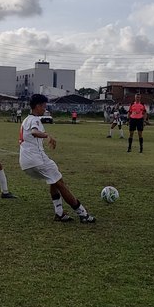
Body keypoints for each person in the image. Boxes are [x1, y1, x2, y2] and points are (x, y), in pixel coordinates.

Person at [19, 94, 95, 223]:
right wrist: (47, 135)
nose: (45, 108)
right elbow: (34, 132)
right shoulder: (35, 119)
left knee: (53, 180)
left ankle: (59, 213)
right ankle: (83, 213)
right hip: (37, 159)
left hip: (25, 161)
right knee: (61, 183)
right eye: (43, 106)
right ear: (37, 106)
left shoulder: (26, 119)